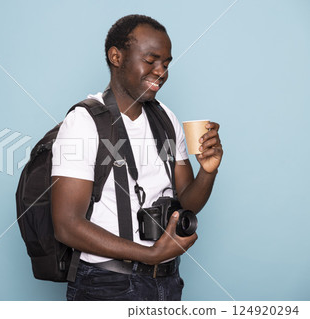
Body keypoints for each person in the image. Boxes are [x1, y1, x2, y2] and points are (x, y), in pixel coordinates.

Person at [51, 14, 223, 301]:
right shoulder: (84, 122)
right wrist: (149, 254)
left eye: (166, 64)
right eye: (151, 60)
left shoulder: (165, 119)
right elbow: (67, 225)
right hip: (105, 284)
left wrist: (208, 171)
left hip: (167, 280)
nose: (161, 72)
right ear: (116, 57)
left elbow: (189, 203)